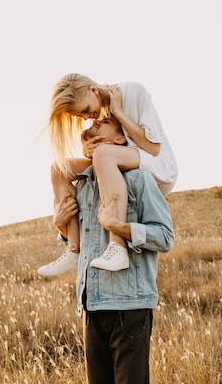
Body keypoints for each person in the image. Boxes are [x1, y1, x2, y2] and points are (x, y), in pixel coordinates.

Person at [51, 127, 175, 383]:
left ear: (119, 139)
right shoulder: (83, 185)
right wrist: (60, 225)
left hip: (128, 306)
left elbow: (165, 237)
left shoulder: (139, 179)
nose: (90, 127)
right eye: (87, 130)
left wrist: (120, 228)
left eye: (101, 124)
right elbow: (87, 242)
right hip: (90, 305)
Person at [37, 73, 178, 276]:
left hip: (158, 166)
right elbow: (109, 148)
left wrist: (119, 113)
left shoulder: (132, 92)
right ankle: (73, 251)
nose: (87, 118)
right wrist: (88, 151)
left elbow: (153, 148)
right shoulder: (100, 113)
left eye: (85, 110)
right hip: (121, 162)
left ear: (93, 90)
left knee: (103, 154)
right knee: (60, 168)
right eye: (80, 116)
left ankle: (117, 246)